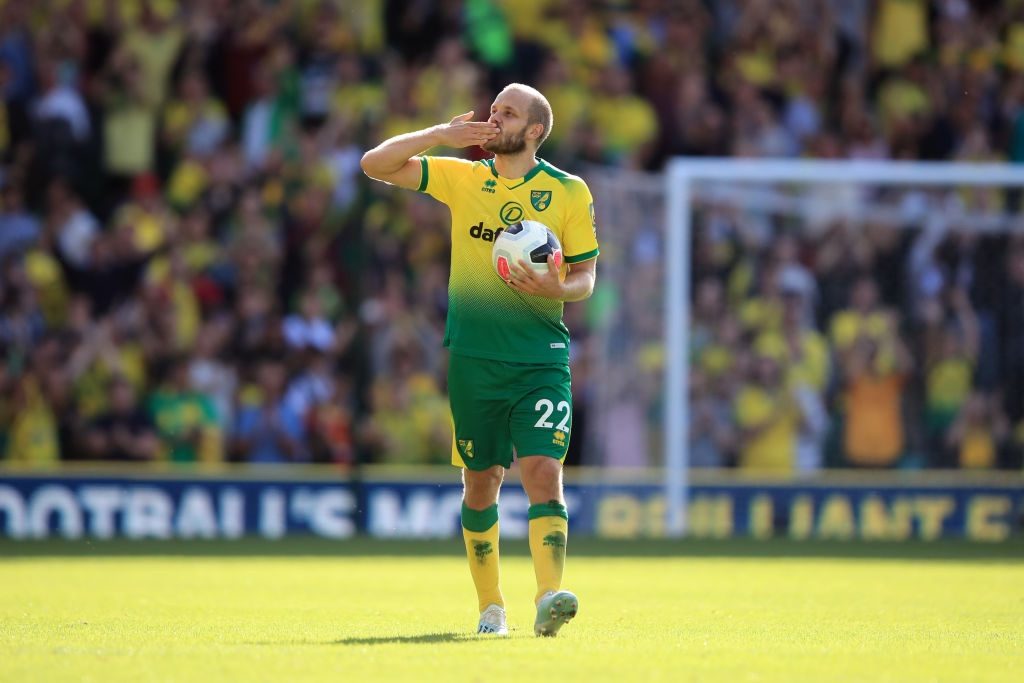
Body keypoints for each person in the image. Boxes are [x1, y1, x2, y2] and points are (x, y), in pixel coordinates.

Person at [361, 83, 599, 637]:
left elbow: (586, 276)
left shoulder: (568, 191)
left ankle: (549, 597)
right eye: (493, 109)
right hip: (474, 359)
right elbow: (375, 164)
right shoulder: (465, 177)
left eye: (507, 113)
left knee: (544, 472)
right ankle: (491, 606)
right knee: (481, 481)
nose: (494, 118)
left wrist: (556, 288)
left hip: (540, 358)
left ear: (534, 130)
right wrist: (440, 135)